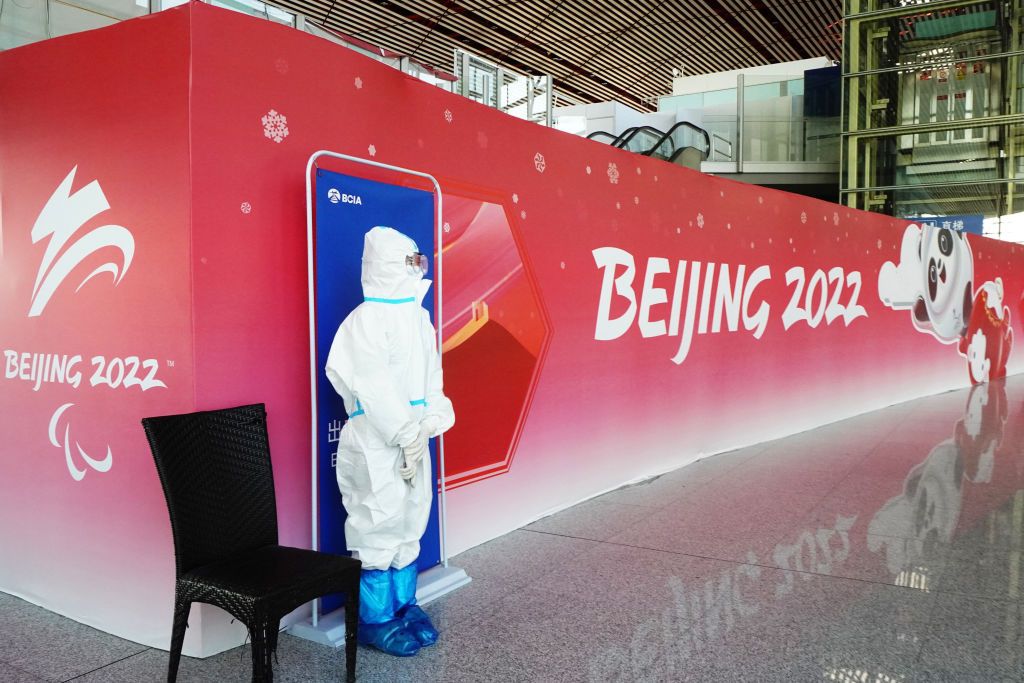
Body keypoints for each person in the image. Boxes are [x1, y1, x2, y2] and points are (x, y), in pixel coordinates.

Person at [325, 226, 455, 657]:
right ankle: (375, 620)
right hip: (377, 443)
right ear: (386, 266)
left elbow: (431, 377)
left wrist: (430, 422)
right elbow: (372, 386)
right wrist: (404, 432)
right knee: (377, 523)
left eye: (419, 260)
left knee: (410, 521)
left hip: (415, 436)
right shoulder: (365, 321)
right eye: (410, 262)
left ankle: (404, 606)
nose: (418, 269)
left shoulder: (418, 317)